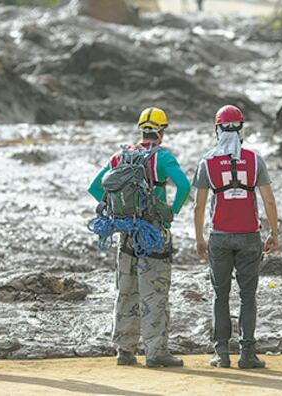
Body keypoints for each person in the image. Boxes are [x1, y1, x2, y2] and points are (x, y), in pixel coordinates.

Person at [88, 107, 191, 368]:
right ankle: (156, 353)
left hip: (126, 234)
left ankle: (125, 350)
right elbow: (184, 186)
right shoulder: (163, 159)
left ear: (140, 129)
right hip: (154, 234)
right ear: (162, 131)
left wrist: (114, 211)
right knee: (155, 293)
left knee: (126, 291)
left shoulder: (120, 156)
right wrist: (171, 213)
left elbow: (94, 186)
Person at [193, 105, 278, 369]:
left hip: (219, 236)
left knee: (221, 295)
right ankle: (248, 354)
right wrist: (275, 232)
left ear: (217, 129)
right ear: (241, 129)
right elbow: (268, 201)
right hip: (249, 236)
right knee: (247, 296)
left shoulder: (207, 162)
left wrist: (199, 238)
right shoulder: (255, 160)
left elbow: (198, 205)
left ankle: (221, 354)